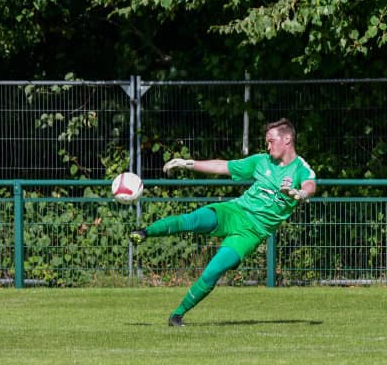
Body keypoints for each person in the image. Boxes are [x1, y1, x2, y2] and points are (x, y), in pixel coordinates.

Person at [129, 118, 317, 327]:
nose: (268, 146)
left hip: (251, 233)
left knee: (213, 271)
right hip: (234, 211)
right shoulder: (261, 161)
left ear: (287, 139)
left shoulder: (301, 168)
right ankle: (144, 232)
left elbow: (310, 184)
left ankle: (177, 315)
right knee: (193, 220)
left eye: (271, 141)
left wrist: (301, 193)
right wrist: (188, 163)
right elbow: (222, 166)